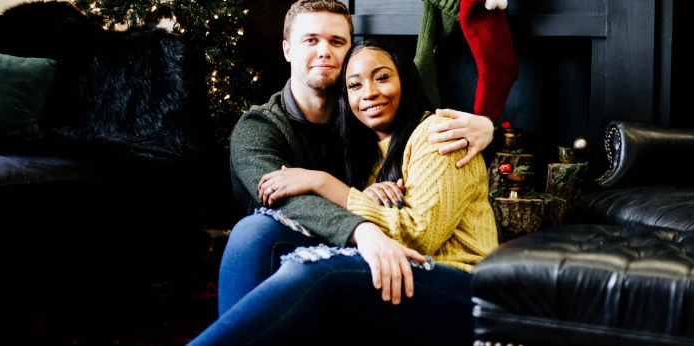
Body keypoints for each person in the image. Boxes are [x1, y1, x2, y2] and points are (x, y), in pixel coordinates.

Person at [189, 38, 498, 345]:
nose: (370, 93)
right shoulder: (367, 152)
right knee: (255, 232)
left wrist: (323, 183)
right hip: (401, 274)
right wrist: (363, 196)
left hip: (459, 288)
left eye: (382, 77)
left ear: (406, 78)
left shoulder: (440, 134)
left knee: (317, 270)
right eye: (354, 85)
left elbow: (418, 235)